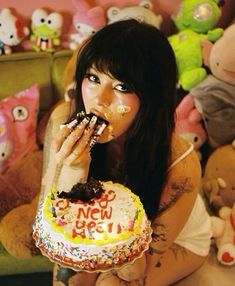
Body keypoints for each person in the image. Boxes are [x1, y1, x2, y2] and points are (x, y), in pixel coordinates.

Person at [41, 19, 212, 286]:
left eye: (122, 87)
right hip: (101, 230)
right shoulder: (64, 120)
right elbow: (58, 235)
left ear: (152, 99)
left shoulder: (181, 164)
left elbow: (135, 270)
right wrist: (75, 170)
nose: (100, 99)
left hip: (175, 241)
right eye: (93, 78)